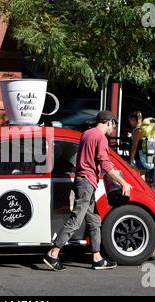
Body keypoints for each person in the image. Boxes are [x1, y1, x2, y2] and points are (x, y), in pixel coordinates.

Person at [43, 111, 132, 271]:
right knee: (76, 219)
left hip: (84, 181)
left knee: (94, 220)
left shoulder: (86, 134)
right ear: (110, 122)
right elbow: (105, 165)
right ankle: (53, 253)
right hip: (86, 183)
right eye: (115, 124)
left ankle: (97, 258)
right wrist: (123, 182)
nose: (114, 128)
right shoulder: (100, 138)